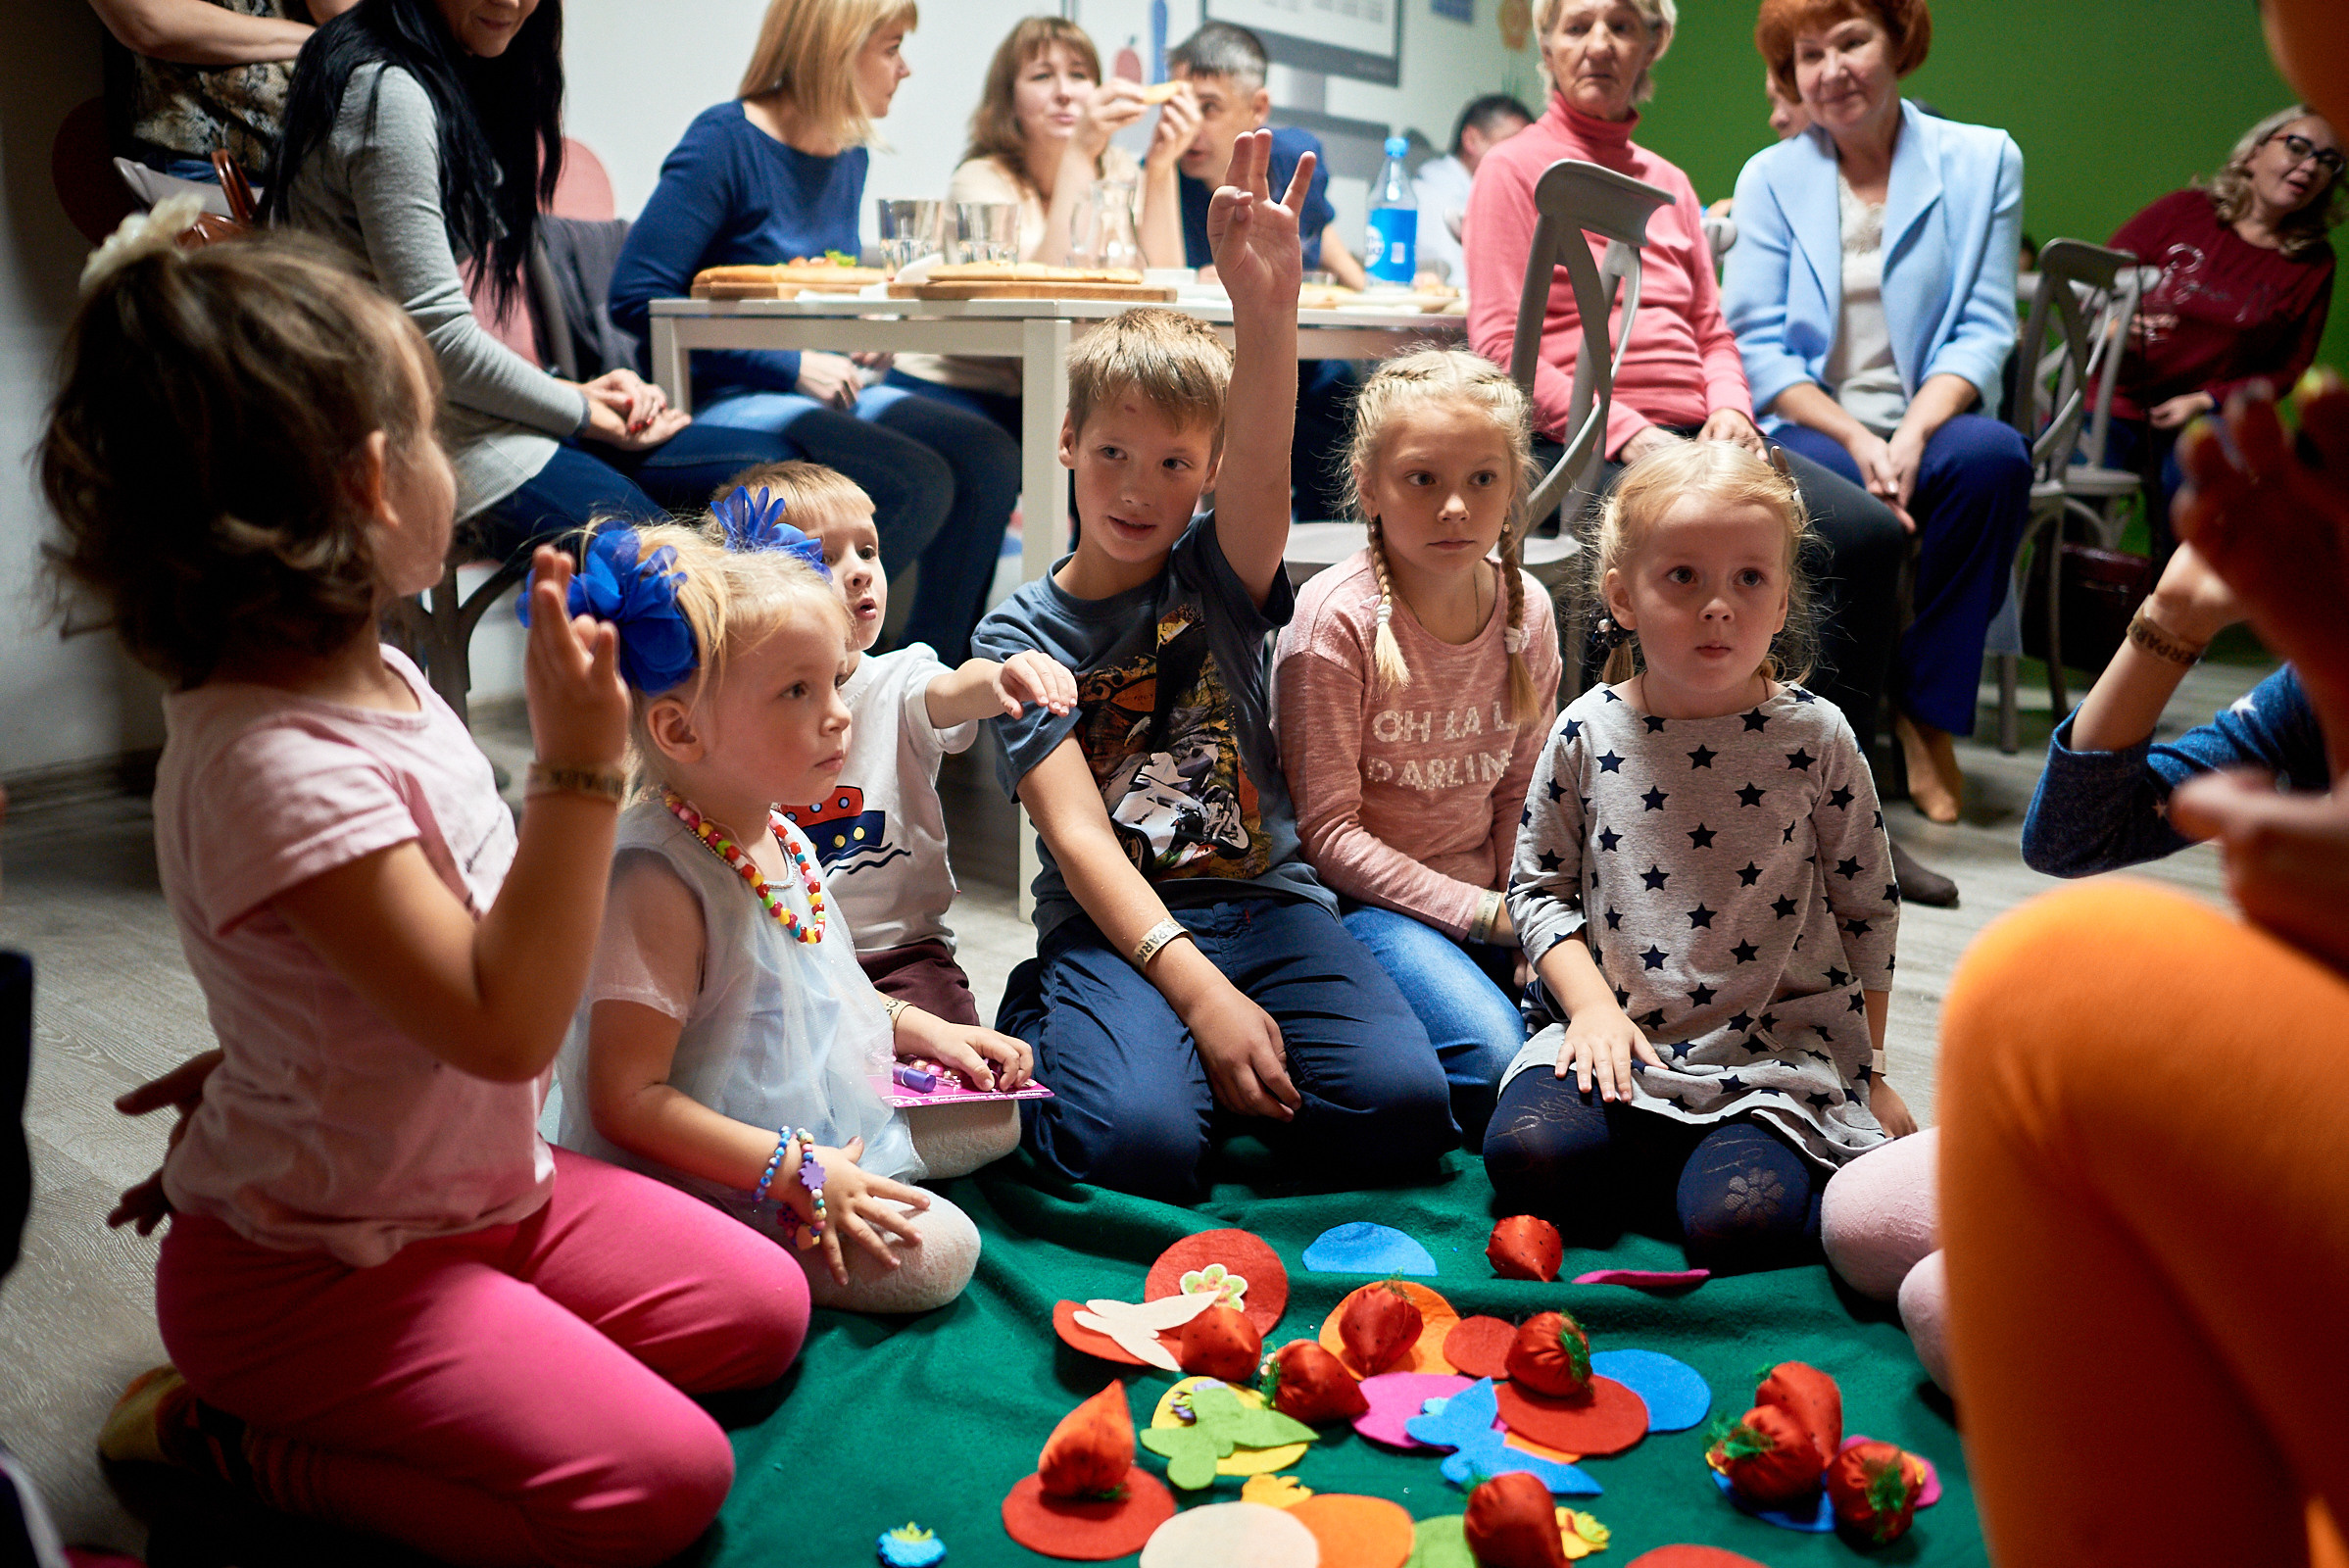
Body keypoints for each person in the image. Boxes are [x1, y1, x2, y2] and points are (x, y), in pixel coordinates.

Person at [42, 228, 804, 1567]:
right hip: (314, 1279)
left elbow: (379, 946)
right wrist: (579, 766)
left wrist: (260, 1054)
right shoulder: (269, 761)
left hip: (486, 1192)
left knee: (761, 1311)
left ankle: (469, 1353)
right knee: (661, 1485)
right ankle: (231, 1442)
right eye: (437, 428)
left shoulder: (379, 674)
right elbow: (506, 1026)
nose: (452, 459)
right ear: (375, 484)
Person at [974, 134, 1457, 1202]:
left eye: (1175, 464)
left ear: (1207, 475)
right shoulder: (1016, 636)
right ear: (1065, 442)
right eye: (1112, 454)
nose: (1139, 488)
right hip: (1119, 919)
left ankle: (1185, 1063)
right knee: (1136, 1151)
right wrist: (1198, 997)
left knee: (1407, 1109)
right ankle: (1066, 1017)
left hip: (1268, 903)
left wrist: (1266, 305)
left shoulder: (1219, 567)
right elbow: (1081, 843)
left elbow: (1266, 463)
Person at [1939, 369, 2349, 1567]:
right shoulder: (2306, 692)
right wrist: (2173, 616)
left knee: (2051, 984)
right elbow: (2071, 835)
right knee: (1886, 1237)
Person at [1464, 0, 1948, 906]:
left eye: (1619, 23)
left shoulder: (1671, 182)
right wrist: (1628, 432)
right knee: (1680, 551)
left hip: (1700, 429)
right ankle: (1658, 811)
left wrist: (1728, 410)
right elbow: (1501, 346)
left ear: (1653, 43)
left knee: (1869, 535)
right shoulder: (1511, 169)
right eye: (1574, 24)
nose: (1598, 42)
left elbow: (1713, 329)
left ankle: (1836, 811)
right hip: (1589, 440)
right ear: (1545, 44)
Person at [553, 521, 1035, 1315]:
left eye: (837, 682)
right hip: (707, 1158)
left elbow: (820, 985)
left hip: (799, 1111)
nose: (841, 715)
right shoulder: (658, 881)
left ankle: (856, 1164)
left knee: (997, 1119)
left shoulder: (778, 832)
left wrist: (931, 1032)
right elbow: (625, 1100)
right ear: (681, 729)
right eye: (797, 692)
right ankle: (755, 1227)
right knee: (946, 1256)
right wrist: (795, 1170)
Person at [1483, 441, 1915, 1274]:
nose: (1718, 606)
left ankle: (1697, 1167)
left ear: (1783, 599)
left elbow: (1869, 908)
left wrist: (1872, 1074)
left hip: (1769, 1064)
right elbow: (1536, 892)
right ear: (1622, 596)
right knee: (1528, 1158)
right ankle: (1664, 1156)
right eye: (1683, 577)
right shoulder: (1583, 731)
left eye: (1748, 579)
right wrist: (1591, 1012)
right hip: (1615, 1044)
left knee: (1736, 1225)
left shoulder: (1817, 736)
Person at [264, 0, 786, 564]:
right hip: (403, 434)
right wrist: (581, 408)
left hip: (451, 409)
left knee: (775, 480)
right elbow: (437, 340)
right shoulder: (388, 93)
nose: (512, 2)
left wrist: (578, 392)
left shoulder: (453, 71)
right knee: (679, 570)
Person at [607, 0, 1021, 662]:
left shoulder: (848, 153)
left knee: (988, 453)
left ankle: (932, 680)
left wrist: (860, 326)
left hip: (822, 385)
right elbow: (635, 296)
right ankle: (814, 667)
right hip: (730, 393)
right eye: (889, 47)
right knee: (916, 478)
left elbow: (807, 280)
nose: (904, 67)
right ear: (836, 48)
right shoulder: (724, 141)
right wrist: (788, 363)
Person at [1723, 0, 2034, 828]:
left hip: (1928, 412)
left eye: (1851, 41)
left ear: (1898, 42)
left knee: (1992, 460)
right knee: (1849, 516)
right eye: (1807, 54)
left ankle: (1927, 710)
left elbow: (1982, 326)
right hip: (1811, 421)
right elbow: (1758, 347)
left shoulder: (1982, 159)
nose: (1829, 70)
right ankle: (1822, 743)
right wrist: (1859, 439)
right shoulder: (1769, 176)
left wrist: (1910, 435)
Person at [1272, 351, 1560, 1143]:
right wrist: (1488, 917)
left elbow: (1523, 792)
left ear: (1513, 486)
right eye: (1421, 480)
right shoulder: (1334, 623)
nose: (1455, 509)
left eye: (1482, 480)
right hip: (1364, 911)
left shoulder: (1524, 607)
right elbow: (1327, 837)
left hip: (1496, 904)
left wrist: (1530, 916)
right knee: (1499, 1061)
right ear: (1368, 486)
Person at [717, 464, 1077, 1026]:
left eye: (868, 550)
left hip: (901, 953)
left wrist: (999, 677)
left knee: (960, 1077)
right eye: (826, 558)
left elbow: (950, 690)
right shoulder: (739, 707)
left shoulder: (899, 676)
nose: (859, 573)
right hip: (780, 953)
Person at [888, 15, 1193, 439]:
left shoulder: (1118, 170)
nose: (1065, 92)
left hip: (1060, 388)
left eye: (1080, 75)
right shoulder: (980, 179)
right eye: (1042, 76)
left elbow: (1164, 283)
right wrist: (1080, 152)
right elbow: (1044, 295)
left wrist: (1161, 168)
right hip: (957, 384)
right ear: (1009, 98)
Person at [2106, 106, 2341, 555]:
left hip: (2201, 415)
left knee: (2206, 489)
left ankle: (2164, 615)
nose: (2311, 166)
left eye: (2329, 162)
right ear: (2254, 154)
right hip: (2112, 400)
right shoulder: (2184, 210)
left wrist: (2205, 400)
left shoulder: (2314, 263)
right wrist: (2114, 325)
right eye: (2297, 146)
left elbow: (2288, 369)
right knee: (2066, 503)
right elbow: (2094, 277)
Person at [1165, 20, 1361, 522]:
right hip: (1200, 359)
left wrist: (1371, 288)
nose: (1191, 127)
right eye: (1178, 107)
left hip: (1292, 353)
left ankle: (1323, 574)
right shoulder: (1163, 176)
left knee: (1343, 400)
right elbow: (1161, 282)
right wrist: (1153, 169)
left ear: (1257, 108)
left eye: (1207, 108)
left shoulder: (1291, 156)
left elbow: (1322, 240)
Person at [87, 0, 358, 180]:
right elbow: (148, 22)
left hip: (333, 151)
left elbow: (343, 12)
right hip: (209, 157)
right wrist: (317, 40)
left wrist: (329, 37)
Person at [1414, 93, 1534, 284]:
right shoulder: (1436, 195)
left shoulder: (1499, 196)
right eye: (1511, 143)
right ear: (1471, 140)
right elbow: (1460, 286)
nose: (1522, 157)